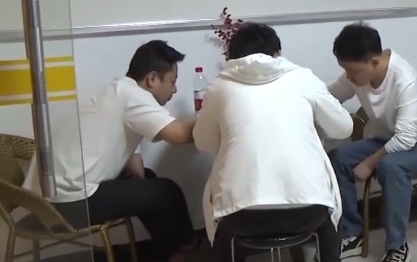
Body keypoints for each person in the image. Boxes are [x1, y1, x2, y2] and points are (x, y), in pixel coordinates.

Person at [192, 23, 355, 262]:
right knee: (327, 206)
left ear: (231, 57)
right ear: (277, 53)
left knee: (220, 207)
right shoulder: (302, 78)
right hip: (308, 212)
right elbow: (343, 128)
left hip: (241, 217)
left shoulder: (219, 87)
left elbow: (203, 143)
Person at [24, 40, 199, 262]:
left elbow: (136, 171)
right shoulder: (134, 97)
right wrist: (215, 117)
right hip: (69, 204)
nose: (174, 89)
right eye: (172, 82)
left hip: (43, 199)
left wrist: (142, 189)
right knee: (166, 191)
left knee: (150, 182)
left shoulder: (117, 91)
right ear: (152, 78)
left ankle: (171, 251)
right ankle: (185, 246)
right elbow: (180, 135)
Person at [326, 22, 417, 262]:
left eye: (352, 71)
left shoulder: (405, 80)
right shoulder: (357, 74)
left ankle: (397, 246)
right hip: (387, 140)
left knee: (391, 166)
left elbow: (406, 138)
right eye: (346, 71)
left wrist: (368, 164)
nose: (348, 77)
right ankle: (352, 233)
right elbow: (330, 95)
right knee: (338, 158)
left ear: (374, 62)